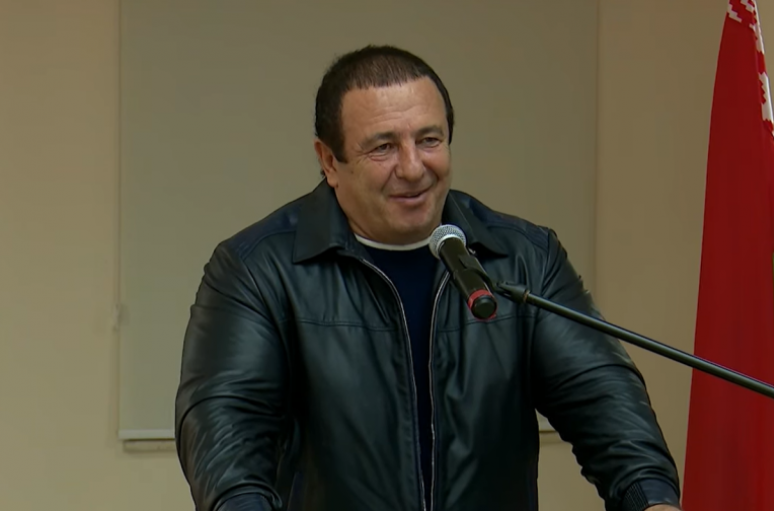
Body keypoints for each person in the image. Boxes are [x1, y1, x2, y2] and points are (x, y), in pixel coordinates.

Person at [175, 45, 682, 511]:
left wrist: (651, 499)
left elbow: (602, 397)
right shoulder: (257, 269)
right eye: (383, 147)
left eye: (429, 140)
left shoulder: (523, 259)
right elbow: (226, 436)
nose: (414, 167)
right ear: (329, 161)